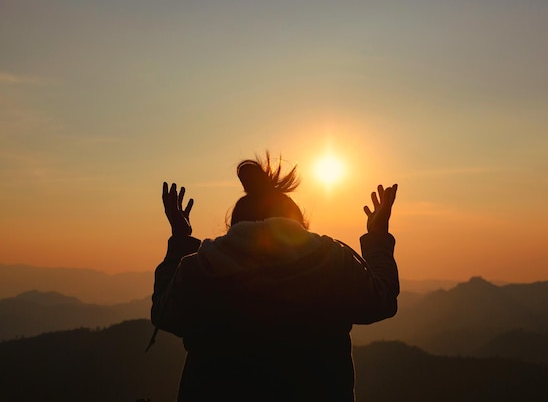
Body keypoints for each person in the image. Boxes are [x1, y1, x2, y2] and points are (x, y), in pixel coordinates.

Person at [151, 154, 399, 402]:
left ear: (233, 229)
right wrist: (377, 235)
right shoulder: (332, 263)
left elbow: (163, 313)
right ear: (299, 226)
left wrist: (181, 238)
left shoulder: (200, 270)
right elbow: (382, 300)